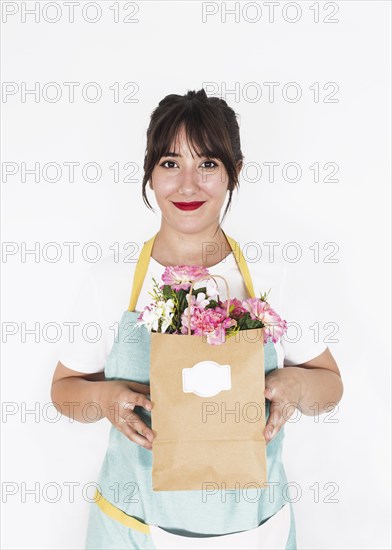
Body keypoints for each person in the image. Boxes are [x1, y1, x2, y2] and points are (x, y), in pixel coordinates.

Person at [51, 89, 344, 549]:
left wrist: (296, 387)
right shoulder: (110, 282)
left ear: (234, 173)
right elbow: (64, 390)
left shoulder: (271, 278)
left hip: (254, 532)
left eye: (207, 164)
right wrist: (106, 399)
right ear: (150, 174)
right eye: (170, 164)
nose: (188, 185)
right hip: (132, 530)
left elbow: (330, 385)